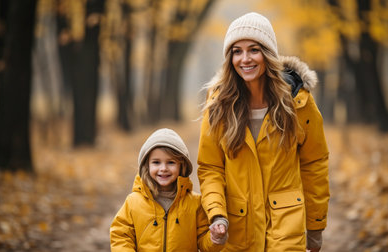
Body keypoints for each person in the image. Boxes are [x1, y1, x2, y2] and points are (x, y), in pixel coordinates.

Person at [197, 12, 330, 251]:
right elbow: (211, 167)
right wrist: (217, 214)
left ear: (268, 54)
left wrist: (316, 226)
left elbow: (314, 165)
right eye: (237, 51)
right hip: (237, 229)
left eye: (254, 50)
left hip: (287, 228)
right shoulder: (218, 104)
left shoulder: (298, 102)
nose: (245, 59)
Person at [110, 128, 226, 252]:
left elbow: (204, 241)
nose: (163, 168)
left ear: (182, 165)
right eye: (156, 162)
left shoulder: (195, 203)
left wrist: (215, 239)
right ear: (147, 165)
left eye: (171, 162)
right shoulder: (133, 202)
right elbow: (121, 235)